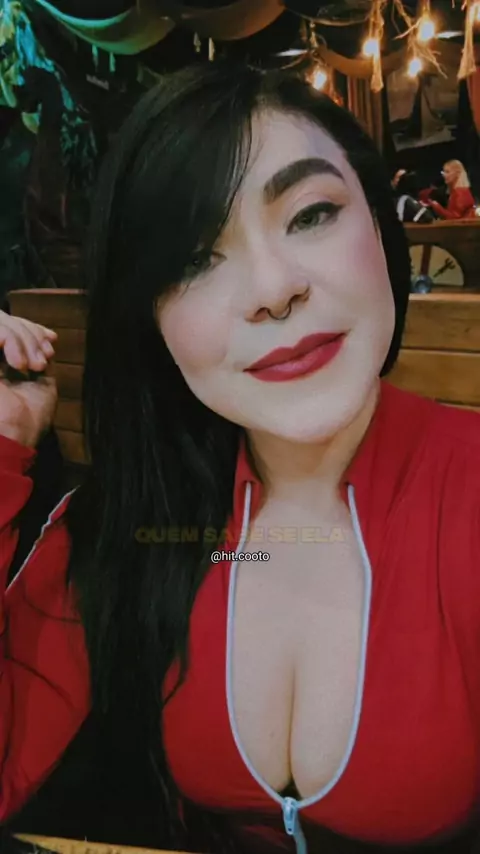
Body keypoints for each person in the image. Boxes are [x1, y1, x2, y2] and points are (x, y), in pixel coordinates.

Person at [1, 63, 480, 854]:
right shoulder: (134, 523)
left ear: (378, 223)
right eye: (193, 259)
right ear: (148, 318)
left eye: (311, 214)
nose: (272, 289)